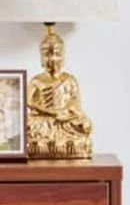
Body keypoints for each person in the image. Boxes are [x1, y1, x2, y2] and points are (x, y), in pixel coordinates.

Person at [26, 29, 92, 158]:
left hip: (65, 121)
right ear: (41, 58)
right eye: (47, 54)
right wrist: (51, 113)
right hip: (43, 119)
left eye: (57, 54)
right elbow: (29, 103)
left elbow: (75, 106)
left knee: (85, 125)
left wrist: (66, 114)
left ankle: (51, 143)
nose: (52, 59)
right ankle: (46, 144)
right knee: (27, 125)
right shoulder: (36, 80)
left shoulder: (70, 80)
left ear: (63, 56)